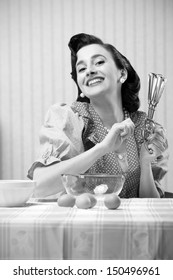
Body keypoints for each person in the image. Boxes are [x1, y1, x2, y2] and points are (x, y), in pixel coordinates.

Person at [28, 33, 168, 198]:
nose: (89, 71)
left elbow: (151, 205)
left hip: (130, 223)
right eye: (81, 68)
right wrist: (102, 148)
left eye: (99, 62)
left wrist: (145, 163)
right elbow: (39, 187)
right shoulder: (69, 117)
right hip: (80, 222)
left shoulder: (146, 128)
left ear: (122, 74)